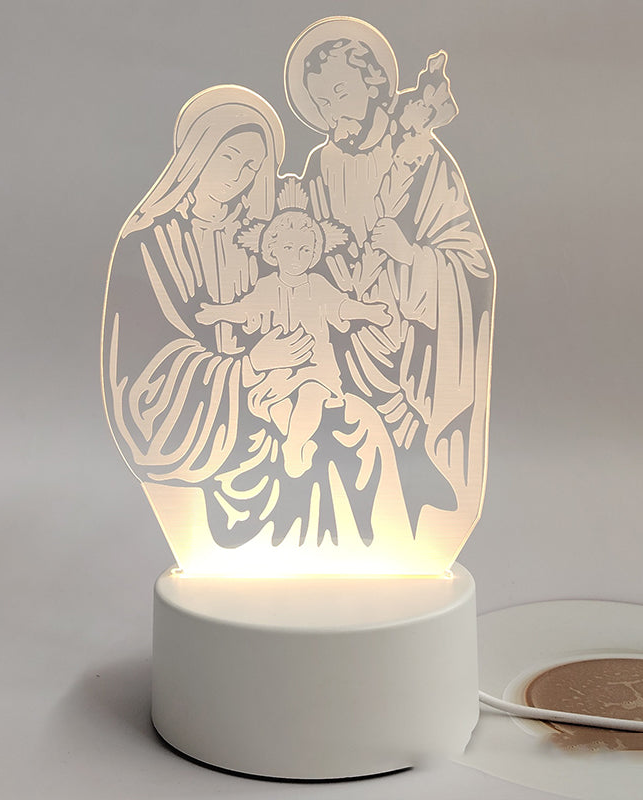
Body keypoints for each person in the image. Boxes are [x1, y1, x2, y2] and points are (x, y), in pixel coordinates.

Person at [102, 85, 411, 552]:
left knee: (361, 429)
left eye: (250, 167)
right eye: (228, 157)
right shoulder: (146, 244)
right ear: (197, 154)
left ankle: (372, 561)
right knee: (303, 448)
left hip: (282, 386)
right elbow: (145, 367)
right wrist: (249, 367)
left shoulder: (256, 237)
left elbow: (310, 297)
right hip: (206, 415)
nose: (237, 176)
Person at [285, 18, 496, 546]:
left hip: (412, 341)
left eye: (340, 92)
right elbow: (307, 248)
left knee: (404, 463)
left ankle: (414, 493)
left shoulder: (423, 158)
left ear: (375, 82)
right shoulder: (320, 165)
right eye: (321, 103)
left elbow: (471, 265)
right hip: (342, 331)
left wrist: (408, 256)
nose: (332, 112)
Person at [196, 201, 391, 477]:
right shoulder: (266, 287)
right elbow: (246, 310)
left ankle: (294, 446)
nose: (297, 257)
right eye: (288, 248)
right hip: (278, 369)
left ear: (314, 253)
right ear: (272, 250)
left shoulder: (318, 285)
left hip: (315, 367)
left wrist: (369, 312)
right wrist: (218, 313)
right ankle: (298, 444)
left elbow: (341, 306)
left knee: (311, 393)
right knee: (274, 401)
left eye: (305, 250)